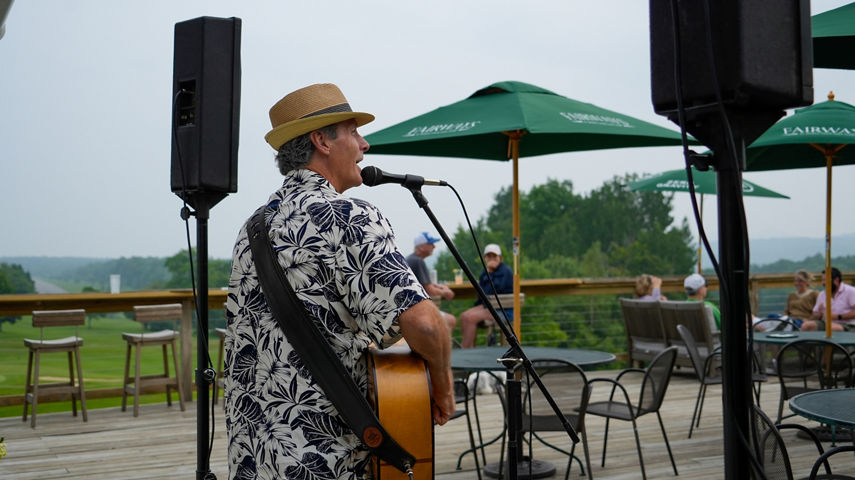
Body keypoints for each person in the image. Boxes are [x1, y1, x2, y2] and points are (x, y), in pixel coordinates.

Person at [223, 83, 453, 480]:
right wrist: (445, 387)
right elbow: (426, 324)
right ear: (321, 141)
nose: (364, 145)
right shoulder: (349, 216)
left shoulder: (252, 228)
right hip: (325, 460)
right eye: (353, 132)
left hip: (254, 457)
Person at [460, 244, 514, 348]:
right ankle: (470, 348)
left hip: (503, 310)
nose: (492, 259)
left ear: (500, 258)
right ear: (485, 258)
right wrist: (476, 307)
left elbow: (494, 291)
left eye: (494, 256)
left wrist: (490, 274)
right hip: (489, 307)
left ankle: (466, 350)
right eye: (489, 256)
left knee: (470, 318)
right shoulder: (485, 272)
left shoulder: (505, 271)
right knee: (463, 316)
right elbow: (482, 294)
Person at [406, 232, 457, 331]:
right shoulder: (418, 261)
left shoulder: (411, 259)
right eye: (430, 244)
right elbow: (430, 290)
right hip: (415, 311)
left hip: (408, 309)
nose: (434, 246)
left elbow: (425, 283)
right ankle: (441, 346)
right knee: (451, 320)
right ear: (421, 247)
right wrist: (446, 292)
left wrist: (439, 286)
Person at [802, 267, 855, 332]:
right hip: (827, 323)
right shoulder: (822, 294)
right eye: (822, 280)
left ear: (836, 280)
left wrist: (837, 317)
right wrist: (819, 314)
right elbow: (815, 313)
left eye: (825, 280)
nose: (823, 283)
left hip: (848, 325)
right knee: (806, 326)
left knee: (831, 328)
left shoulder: (850, 291)